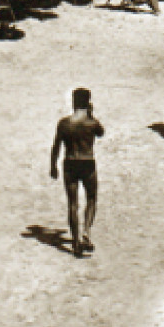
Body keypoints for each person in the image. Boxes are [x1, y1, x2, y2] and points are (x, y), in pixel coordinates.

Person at [49, 87, 104, 257]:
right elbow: (101, 133)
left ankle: (75, 242)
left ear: (73, 102)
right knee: (92, 198)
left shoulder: (64, 123)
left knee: (72, 204)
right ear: (87, 103)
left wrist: (53, 166)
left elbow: (56, 146)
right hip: (87, 163)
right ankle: (86, 232)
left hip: (70, 163)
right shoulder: (91, 123)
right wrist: (91, 114)